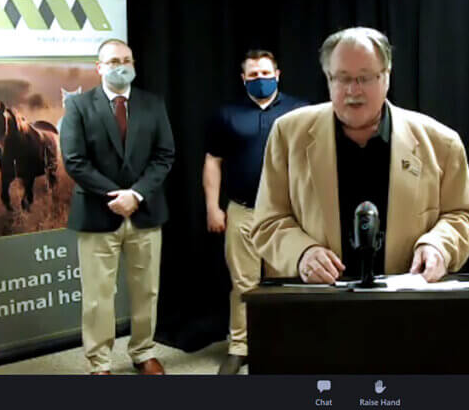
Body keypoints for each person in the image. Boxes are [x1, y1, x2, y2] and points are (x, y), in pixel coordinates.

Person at [251, 27, 469, 285]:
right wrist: (302, 253)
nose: (353, 90)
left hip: (409, 309)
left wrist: (439, 246)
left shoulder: (441, 143)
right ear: (328, 78)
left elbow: (463, 217)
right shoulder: (288, 134)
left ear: (387, 77)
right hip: (316, 307)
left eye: (365, 77)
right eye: (342, 78)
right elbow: (268, 221)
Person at [60, 39, 175, 375]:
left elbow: (164, 155)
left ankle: (143, 351)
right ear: (99, 68)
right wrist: (118, 196)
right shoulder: (79, 106)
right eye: (112, 61)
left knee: (146, 290)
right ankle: (100, 362)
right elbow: (74, 160)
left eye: (126, 59)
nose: (120, 66)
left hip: (146, 212)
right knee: (98, 296)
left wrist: (136, 195)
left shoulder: (153, 104)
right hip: (98, 214)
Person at [202, 50, 308, 375]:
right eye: (253, 75)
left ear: (277, 74)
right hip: (241, 211)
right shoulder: (227, 114)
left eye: (265, 73)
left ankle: (280, 343)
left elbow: (313, 163)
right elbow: (212, 161)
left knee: (282, 283)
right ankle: (240, 346)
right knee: (244, 284)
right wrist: (212, 208)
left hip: (286, 214)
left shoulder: (301, 111)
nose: (260, 79)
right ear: (243, 78)